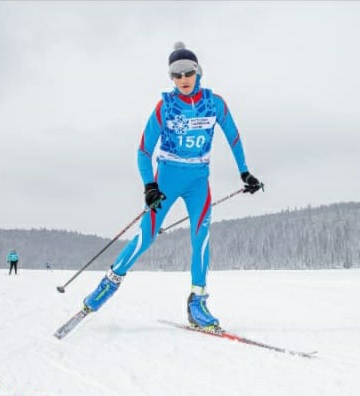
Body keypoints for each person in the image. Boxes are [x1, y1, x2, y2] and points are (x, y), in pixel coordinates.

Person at [81, 41, 263, 330]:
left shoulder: (215, 103)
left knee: (201, 237)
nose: (183, 79)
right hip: (166, 178)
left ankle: (197, 302)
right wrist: (150, 186)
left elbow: (234, 137)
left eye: (188, 72)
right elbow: (143, 151)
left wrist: (245, 173)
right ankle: (109, 284)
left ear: (198, 72)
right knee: (147, 236)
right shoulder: (165, 107)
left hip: (198, 181)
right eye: (176, 75)